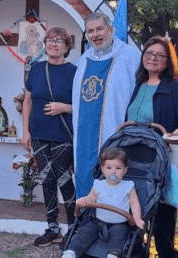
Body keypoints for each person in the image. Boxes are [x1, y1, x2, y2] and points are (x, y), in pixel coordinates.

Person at [72, 13, 141, 198]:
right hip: (84, 135)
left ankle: (113, 220)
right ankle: (87, 221)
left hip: (115, 130)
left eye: (99, 29)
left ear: (111, 29)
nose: (95, 34)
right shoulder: (84, 60)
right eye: (90, 31)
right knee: (84, 171)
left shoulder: (130, 56)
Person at [22, 27, 76, 246]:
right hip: (40, 134)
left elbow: (84, 106)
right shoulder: (35, 70)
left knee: (64, 179)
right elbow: (27, 101)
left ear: (67, 46)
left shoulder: (75, 71)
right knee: (46, 179)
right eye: (50, 40)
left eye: (59, 40)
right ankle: (52, 228)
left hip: (63, 134)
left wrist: (64, 107)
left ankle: (73, 227)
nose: (54, 44)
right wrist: (25, 131)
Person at [126, 36, 178, 258]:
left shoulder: (174, 87)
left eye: (160, 55)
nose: (153, 58)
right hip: (135, 155)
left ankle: (166, 252)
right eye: (149, 53)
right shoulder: (139, 84)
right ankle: (136, 249)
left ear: (168, 61)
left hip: (161, 154)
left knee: (163, 204)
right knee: (136, 202)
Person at [61, 149, 145, 258]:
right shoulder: (98, 185)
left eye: (118, 168)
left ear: (124, 170)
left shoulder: (128, 186)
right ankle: (71, 252)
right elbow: (91, 199)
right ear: (102, 170)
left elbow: (134, 204)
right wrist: (84, 200)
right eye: (109, 168)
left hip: (119, 223)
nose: (113, 172)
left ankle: (113, 255)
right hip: (98, 221)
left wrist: (137, 219)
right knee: (84, 232)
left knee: (119, 235)